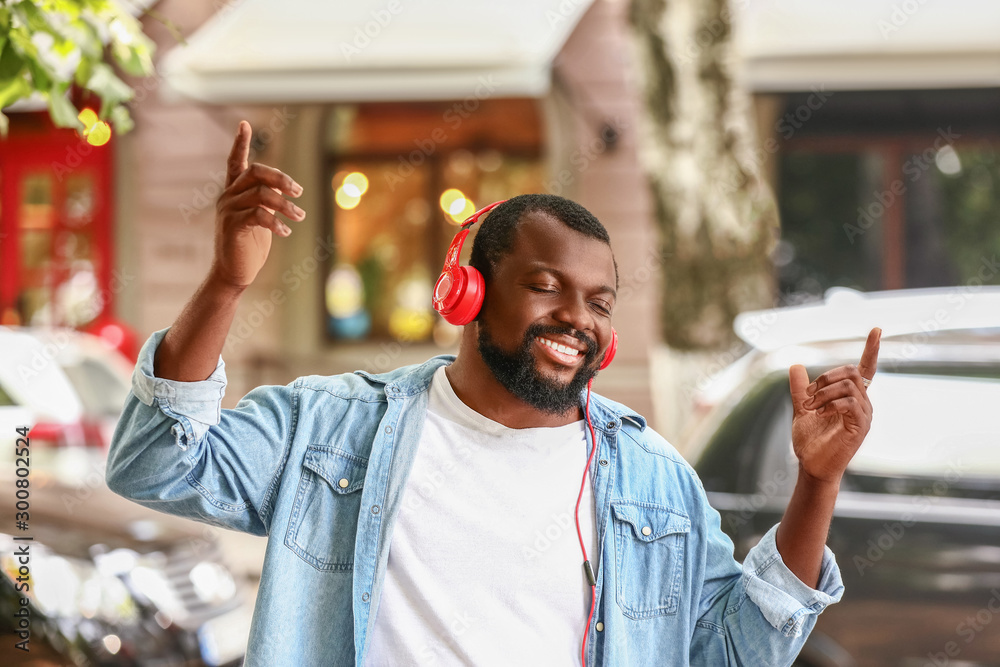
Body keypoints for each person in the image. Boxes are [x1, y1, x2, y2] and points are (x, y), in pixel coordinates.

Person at [106, 121, 881, 666]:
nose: (576, 318)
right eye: (545, 287)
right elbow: (155, 463)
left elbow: (737, 650)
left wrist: (816, 483)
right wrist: (225, 284)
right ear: (466, 291)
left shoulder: (653, 480)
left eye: (599, 303)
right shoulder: (331, 426)